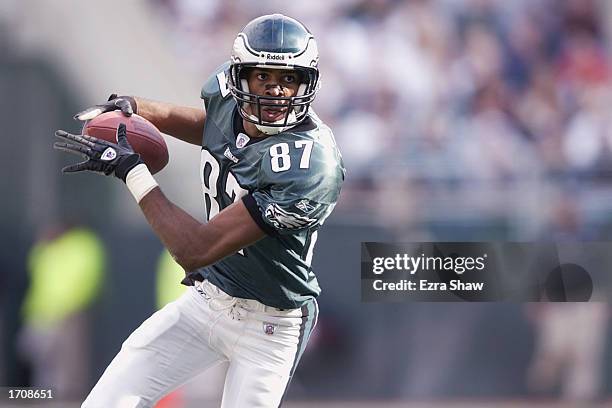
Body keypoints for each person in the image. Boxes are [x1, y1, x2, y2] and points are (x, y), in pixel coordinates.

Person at [54, 14, 345, 408]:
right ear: (241, 79)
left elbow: (194, 249)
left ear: (306, 84)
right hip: (208, 302)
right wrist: (139, 108)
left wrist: (133, 172)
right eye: (264, 78)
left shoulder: (311, 164)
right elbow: (212, 127)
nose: (276, 92)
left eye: (288, 79)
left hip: (270, 326)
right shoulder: (227, 100)